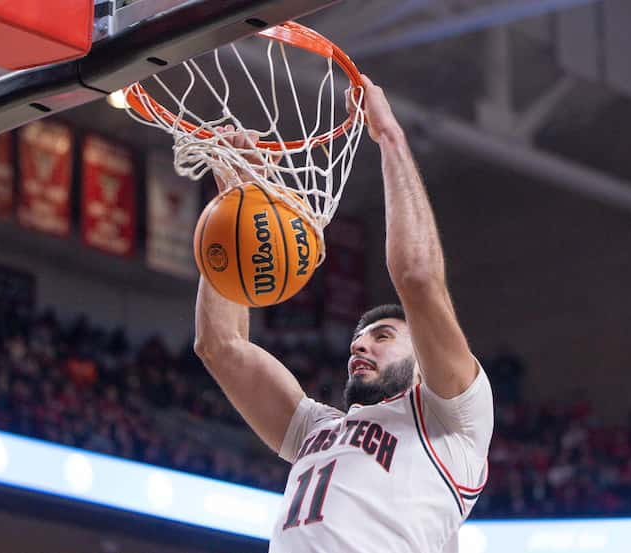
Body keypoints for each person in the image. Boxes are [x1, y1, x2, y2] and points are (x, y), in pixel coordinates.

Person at [194, 75, 494, 552]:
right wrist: (237, 204)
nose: (360, 343)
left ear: (424, 364)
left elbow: (417, 277)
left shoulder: (454, 424)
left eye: (383, 335)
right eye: (360, 335)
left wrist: (390, 137)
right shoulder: (318, 428)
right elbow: (220, 345)